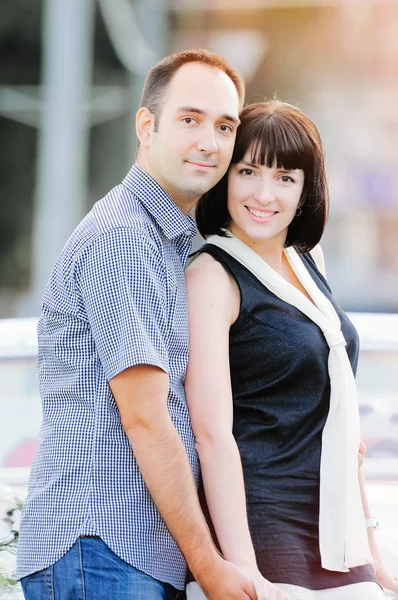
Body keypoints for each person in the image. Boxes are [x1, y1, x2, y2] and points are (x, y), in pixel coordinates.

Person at [17, 48, 261, 600]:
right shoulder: (125, 239)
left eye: (225, 126)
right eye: (190, 119)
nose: (210, 141)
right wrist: (213, 567)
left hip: (129, 554)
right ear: (146, 126)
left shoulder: (169, 242)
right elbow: (147, 418)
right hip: (101, 547)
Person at [185, 100, 398, 600]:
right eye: (248, 171)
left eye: (285, 177)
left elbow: (342, 430)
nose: (264, 194)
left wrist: (376, 558)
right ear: (225, 178)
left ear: (306, 190)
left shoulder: (307, 260)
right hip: (263, 532)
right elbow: (212, 434)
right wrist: (242, 567)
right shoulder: (212, 276)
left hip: (336, 538)